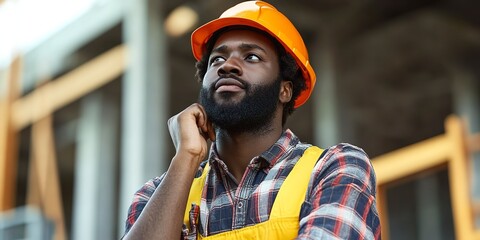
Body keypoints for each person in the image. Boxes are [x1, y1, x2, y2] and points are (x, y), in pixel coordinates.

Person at [123, 1, 381, 239]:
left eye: (252, 57)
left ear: (285, 90)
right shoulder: (155, 194)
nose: (227, 66)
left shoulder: (336, 168)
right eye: (217, 60)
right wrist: (186, 157)